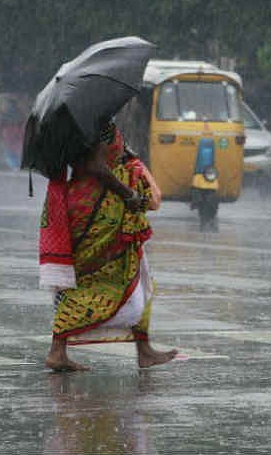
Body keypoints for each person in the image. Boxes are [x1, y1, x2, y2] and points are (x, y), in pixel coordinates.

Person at [39, 120, 176, 372]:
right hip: (100, 209)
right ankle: (57, 351)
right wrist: (128, 193)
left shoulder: (73, 126)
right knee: (97, 280)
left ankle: (143, 349)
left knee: (127, 275)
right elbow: (96, 166)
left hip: (82, 203)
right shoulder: (97, 123)